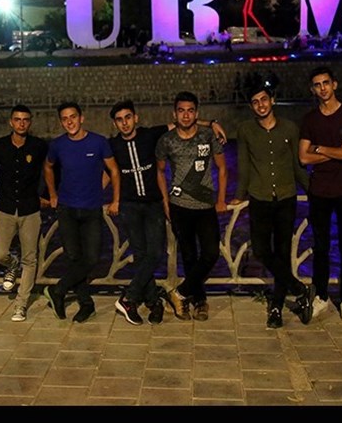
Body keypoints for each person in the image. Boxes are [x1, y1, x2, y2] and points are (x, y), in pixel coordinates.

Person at [107, 99, 226, 326]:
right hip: (130, 206)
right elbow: (109, 172)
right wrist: (107, 199)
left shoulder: (150, 135)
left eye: (128, 117)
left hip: (153, 204)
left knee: (156, 253)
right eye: (119, 120)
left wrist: (211, 123)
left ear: (136, 118)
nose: (125, 123)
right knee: (141, 255)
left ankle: (129, 297)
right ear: (115, 123)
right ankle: (154, 301)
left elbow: (183, 122)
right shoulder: (112, 145)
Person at [230, 73, 314, 329]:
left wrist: (312, 191)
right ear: (251, 106)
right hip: (259, 197)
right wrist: (239, 195)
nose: (261, 105)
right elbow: (244, 166)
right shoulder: (245, 130)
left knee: (282, 252)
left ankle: (276, 307)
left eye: (264, 100)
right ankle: (299, 289)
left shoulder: (290, 128)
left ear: (272, 100)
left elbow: (298, 165)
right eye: (255, 102)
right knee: (261, 250)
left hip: (286, 197)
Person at [43, 101, 120, 323]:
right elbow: (48, 167)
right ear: (61, 122)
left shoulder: (98, 142)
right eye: (65, 119)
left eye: (73, 117)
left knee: (92, 258)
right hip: (66, 209)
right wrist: (52, 193)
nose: (70, 122)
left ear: (81, 118)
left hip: (91, 209)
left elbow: (113, 170)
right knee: (74, 258)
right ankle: (86, 304)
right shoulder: (57, 145)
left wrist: (114, 198)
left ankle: (58, 290)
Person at [298, 66, 342, 324]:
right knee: (321, 246)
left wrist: (321, 149)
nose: (322, 88)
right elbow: (303, 158)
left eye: (326, 83)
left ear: (334, 84)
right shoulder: (310, 119)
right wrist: (337, 150)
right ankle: (321, 296)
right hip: (319, 191)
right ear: (312, 89)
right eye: (317, 84)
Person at [155, 91, 228, 321]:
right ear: (174, 114)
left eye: (190, 111)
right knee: (189, 256)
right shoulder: (166, 140)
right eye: (181, 111)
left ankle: (178, 293)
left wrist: (221, 199)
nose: (185, 115)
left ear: (196, 113)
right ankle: (199, 300)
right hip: (179, 206)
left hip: (205, 206)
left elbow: (222, 168)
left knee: (211, 253)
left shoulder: (208, 135)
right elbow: (160, 172)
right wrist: (165, 202)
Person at [0, 105, 48, 322]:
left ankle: (21, 305)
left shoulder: (38, 146)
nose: (22, 123)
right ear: (11, 122)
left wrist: (46, 194)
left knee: (30, 259)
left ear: (30, 122)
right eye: (18, 119)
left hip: (30, 209)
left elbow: (49, 171)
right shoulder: (0, 145)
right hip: (6, 207)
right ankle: (12, 265)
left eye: (25, 120)